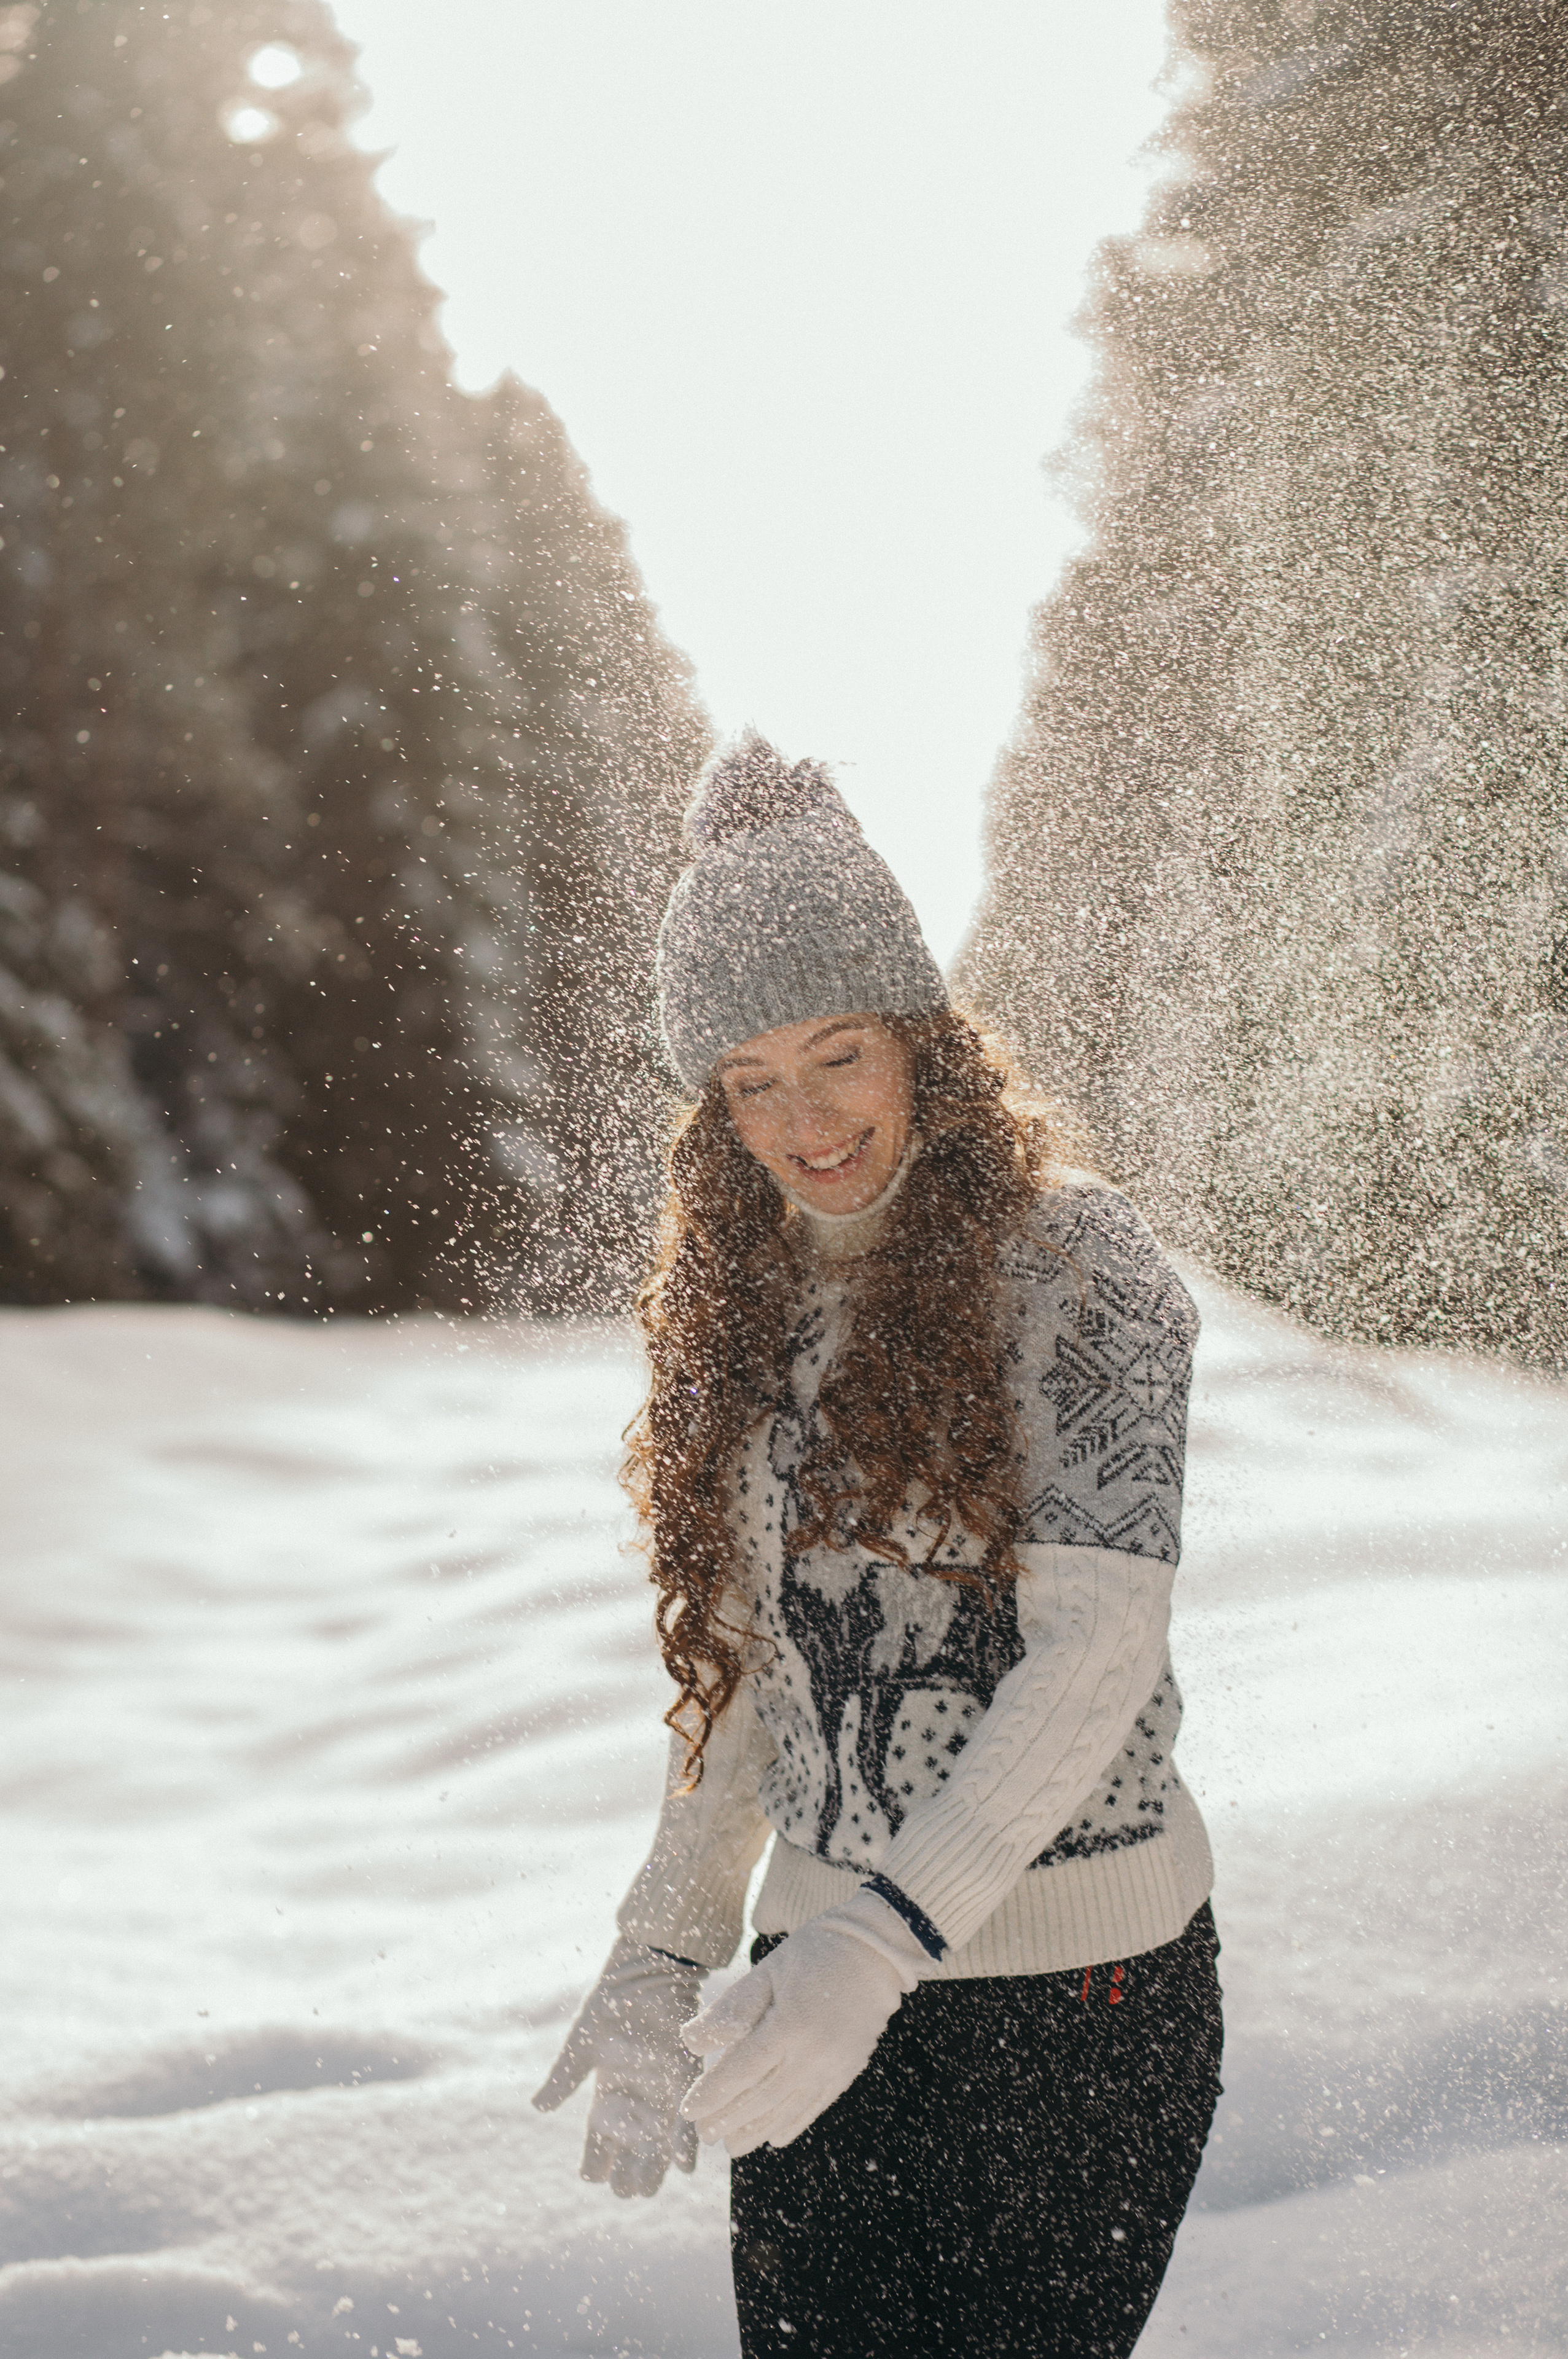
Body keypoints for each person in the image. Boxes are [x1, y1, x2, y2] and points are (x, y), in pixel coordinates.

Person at [534, 737, 1223, 2358]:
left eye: (836, 1056)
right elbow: (752, 1676)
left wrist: (883, 1940)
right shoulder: (738, 1300)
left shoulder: (1077, 1262)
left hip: (1080, 1999)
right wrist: (665, 1942)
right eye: (750, 1082)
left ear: (923, 1039)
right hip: (810, 1993)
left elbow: (1098, 1652)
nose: (802, 1118)